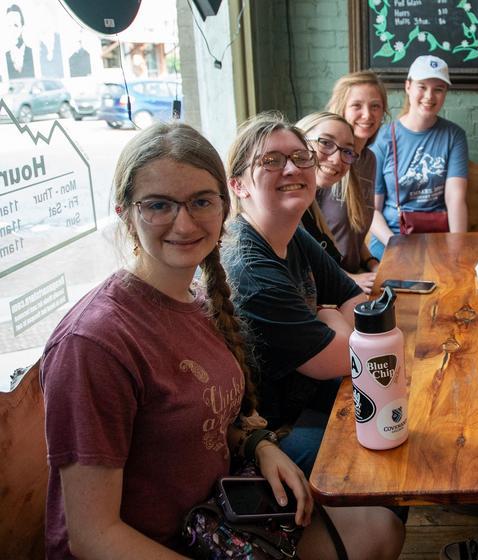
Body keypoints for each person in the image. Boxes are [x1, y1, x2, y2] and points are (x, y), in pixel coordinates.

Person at [40, 122, 318, 557]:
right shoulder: (93, 345)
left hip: (219, 526)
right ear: (124, 211)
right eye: (158, 205)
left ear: (224, 206)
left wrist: (259, 445)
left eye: (200, 202)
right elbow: (91, 535)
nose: (183, 223)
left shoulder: (200, 299)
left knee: (374, 526)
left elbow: (210, 417)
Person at [222, 112, 405, 558]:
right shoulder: (251, 266)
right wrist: (334, 322)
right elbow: (343, 358)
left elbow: (355, 306)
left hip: (318, 400)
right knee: (392, 463)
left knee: (400, 423)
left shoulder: (292, 233)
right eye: (272, 161)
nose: (293, 169)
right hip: (269, 438)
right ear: (239, 185)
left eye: (299, 158)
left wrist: (335, 320)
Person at [369, 55, 468, 259]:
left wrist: (458, 247)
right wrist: (394, 244)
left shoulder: (454, 135)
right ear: (408, 86)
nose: (429, 96)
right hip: (392, 237)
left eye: (438, 89)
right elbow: (372, 209)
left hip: (436, 238)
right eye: (422, 86)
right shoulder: (384, 137)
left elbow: (455, 198)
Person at [295, 111, 377, 292]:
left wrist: (370, 262)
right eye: (325, 143)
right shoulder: (286, 206)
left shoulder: (310, 205)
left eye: (347, 151)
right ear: (298, 139)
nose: (336, 159)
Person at [5, 4, 35, 79]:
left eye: (15, 25)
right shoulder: (3, 59)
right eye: (9, 25)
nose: (12, 30)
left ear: (22, 27)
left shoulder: (34, 54)